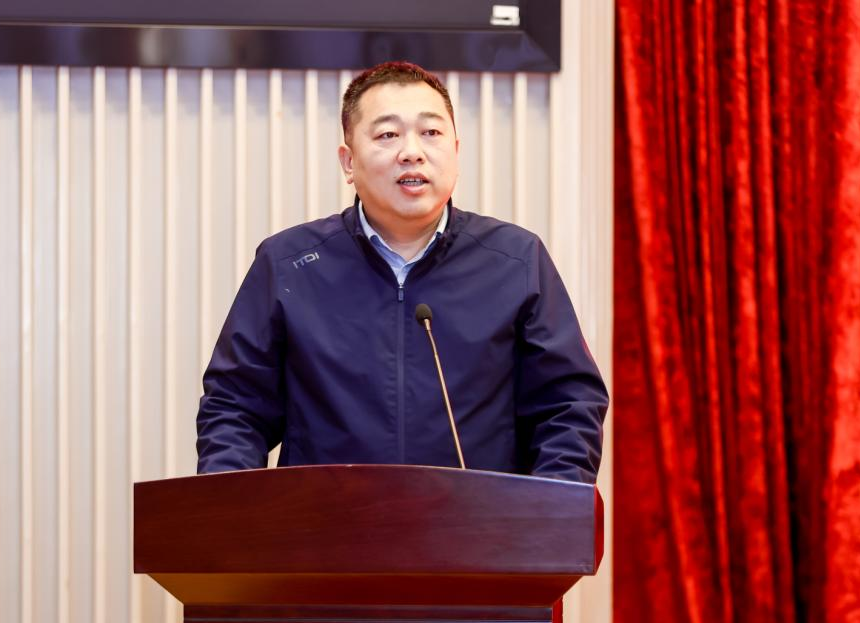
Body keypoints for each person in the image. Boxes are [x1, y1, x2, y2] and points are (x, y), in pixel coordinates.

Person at [196, 61, 608, 483]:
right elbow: (235, 407)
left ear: (455, 152)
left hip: (478, 522)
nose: (412, 152)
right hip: (325, 521)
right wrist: (230, 510)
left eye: (431, 132)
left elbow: (568, 404)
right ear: (348, 162)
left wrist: (549, 509)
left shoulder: (516, 260)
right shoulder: (288, 264)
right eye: (387, 135)